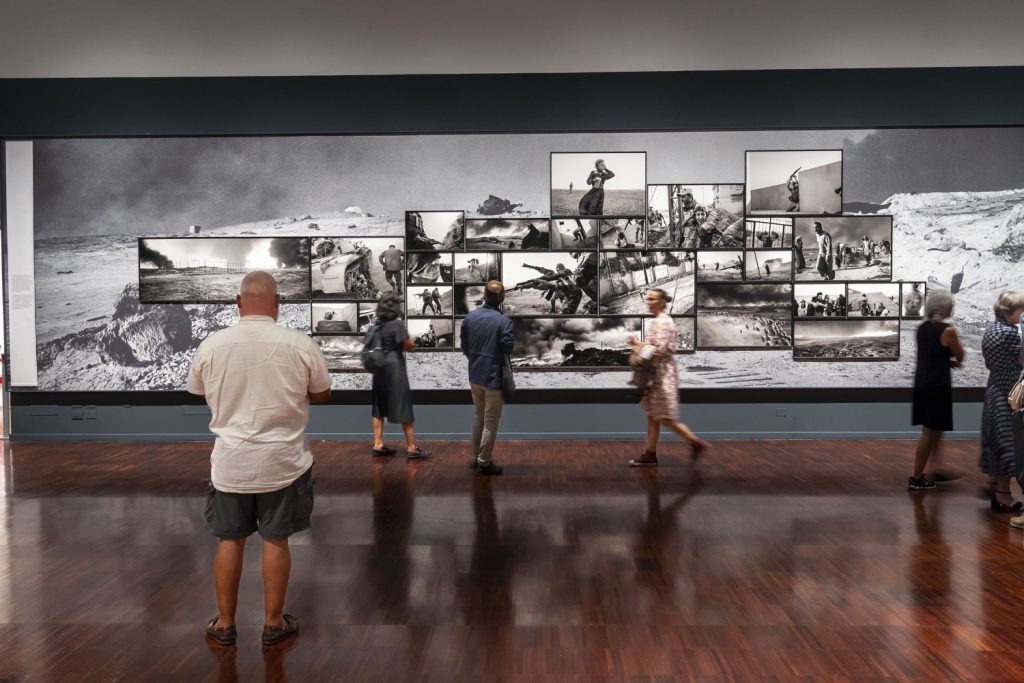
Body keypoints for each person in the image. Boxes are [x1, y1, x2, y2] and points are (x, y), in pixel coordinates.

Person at [188, 271, 331, 647]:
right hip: (284, 462)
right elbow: (322, 392)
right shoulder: (298, 343)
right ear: (277, 302)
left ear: (238, 303)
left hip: (230, 463)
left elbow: (198, 390)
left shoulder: (212, 345)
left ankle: (224, 623)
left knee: (229, 542)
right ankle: (272, 622)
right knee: (275, 540)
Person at [628, 288, 710, 466]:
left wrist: (638, 347)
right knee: (653, 415)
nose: (648, 302)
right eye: (647, 299)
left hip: (661, 374)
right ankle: (650, 454)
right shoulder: (658, 321)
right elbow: (654, 347)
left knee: (663, 416)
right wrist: (640, 345)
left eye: (652, 299)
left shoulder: (664, 322)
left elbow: (660, 349)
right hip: (656, 372)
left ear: (661, 302)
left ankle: (695, 442)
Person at [908, 291, 965, 490]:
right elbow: (961, 355)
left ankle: (932, 469)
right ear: (943, 308)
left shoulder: (922, 328)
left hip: (923, 381)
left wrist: (945, 361)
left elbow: (931, 354)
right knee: (930, 431)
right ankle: (916, 477)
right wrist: (952, 360)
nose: (953, 308)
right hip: (937, 385)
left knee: (934, 429)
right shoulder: (947, 330)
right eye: (951, 305)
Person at [461, 280, 514, 476]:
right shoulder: (504, 321)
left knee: (479, 416)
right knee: (491, 421)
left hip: (474, 375)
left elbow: (465, 347)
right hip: (493, 377)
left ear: (484, 296)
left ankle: (475, 457)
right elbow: (507, 349)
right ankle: (484, 462)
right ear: (502, 298)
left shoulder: (470, 318)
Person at [369, 291, 431, 459]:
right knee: (403, 404)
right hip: (394, 367)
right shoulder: (397, 325)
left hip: (379, 367)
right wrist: (408, 344)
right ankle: (411, 447)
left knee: (378, 407)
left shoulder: (376, 325)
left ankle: (378, 444)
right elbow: (409, 346)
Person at [979, 291, 1024, 512]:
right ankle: (1003, 494)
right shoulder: (1010, 334)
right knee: (1010, 441)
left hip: (995, 387)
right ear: (1010, 311)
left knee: (998, 440)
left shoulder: (991, 331)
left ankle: (1001, 492)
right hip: (1011, 389)